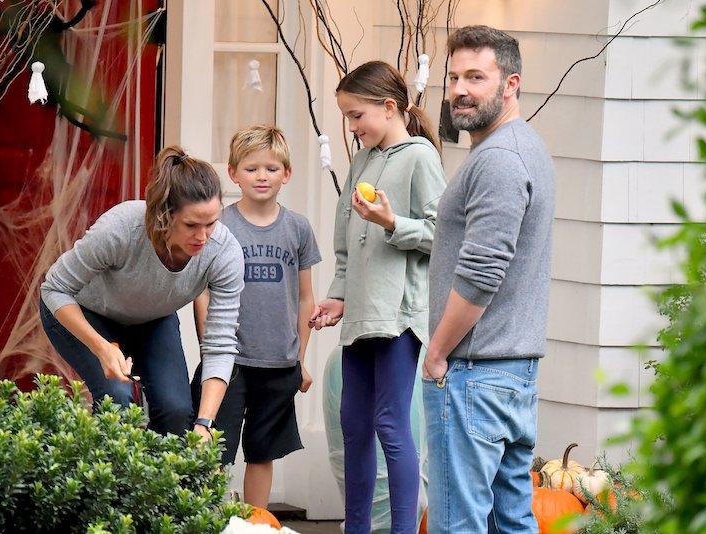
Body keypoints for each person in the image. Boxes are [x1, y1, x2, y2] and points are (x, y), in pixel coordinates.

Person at [423, 25, 555, 532]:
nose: (459, 88)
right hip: (512, 372)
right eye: (453, 76)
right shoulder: (523, 147)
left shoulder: (499, 159)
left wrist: (437, 353)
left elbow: (482, 272)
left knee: (458, 524)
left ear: (511, 83)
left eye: (476, 76)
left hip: (475, 372)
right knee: (511, 523)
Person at [311, 60, 447, 534]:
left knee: (391, 424)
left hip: (399, 318)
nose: (352, 127)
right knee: (353, 426)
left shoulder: (421, 158)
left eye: (356, 115)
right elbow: (346, 244)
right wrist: (337, 296)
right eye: (347, 117)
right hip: (360, 318)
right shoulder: (363, 161)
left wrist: (393, 223)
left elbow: (442, 236)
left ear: (390, 108)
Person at [40, 146, 244, 439]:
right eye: (191, 225)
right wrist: (102, 347)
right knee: (118, 400)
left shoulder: (224, 252)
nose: (203, 237)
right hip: (83, 311)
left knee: (176, 413)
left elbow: (221, 344)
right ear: (164, 214)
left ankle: (157, 484)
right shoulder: (123, 228)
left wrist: (205, 423)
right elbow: (55, 288)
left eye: (211, 223)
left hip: (153, 319)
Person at [191, 125, 321, 508]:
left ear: (287, 174)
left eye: (270, 168)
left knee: (262, 452)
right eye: (251, 169)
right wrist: (209, 350)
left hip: (278, 362)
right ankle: (211, 518)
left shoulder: (297, 228)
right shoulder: (220, 226)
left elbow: (304, 298)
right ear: (232, 173)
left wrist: (299, 361)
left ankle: (256, 521)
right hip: (230, 361)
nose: (261, 176)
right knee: (216, 447)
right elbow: (204, 292)